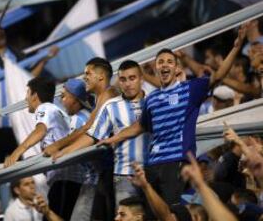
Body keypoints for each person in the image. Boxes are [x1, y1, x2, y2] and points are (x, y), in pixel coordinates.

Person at [98, 26, 247, 205]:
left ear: (176, 68)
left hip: (176, 163)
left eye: (170, 61)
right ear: (156, 67)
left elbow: (219, 75)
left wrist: (236, 47)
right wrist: (113, 139)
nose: (165, 64)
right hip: (152, 165)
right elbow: (139, 127)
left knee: (174, 212)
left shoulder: (191, 88)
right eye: (160, 62)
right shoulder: (151, 98)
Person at [53, 60, 148, 207]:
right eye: (123, 79)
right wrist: (63, 150)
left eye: (88, 73)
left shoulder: (109, 94)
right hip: (119, 171)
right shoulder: (107, 100)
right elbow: (92, 131)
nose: (85, 78)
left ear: (101, 76)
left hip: (117, 169)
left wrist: (60, 147)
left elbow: (88, 128)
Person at [0, 25, 59, 165]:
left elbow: (28, 78)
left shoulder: (16, 55)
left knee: (18, 167)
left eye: (0, 30)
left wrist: (45, 59)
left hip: (15, 123)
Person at [4, 77, 76, 220]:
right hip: (68, 177)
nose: (26, 99)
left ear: (35, 96)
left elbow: (40, 131)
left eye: (27, 94)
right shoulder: (57, 110)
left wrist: (17, 152)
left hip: (64, 177)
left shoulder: (45, 108)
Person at [59, 79, 95, 221]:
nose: (61, 100)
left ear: (74, 99)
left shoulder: (76, 120)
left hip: (93, 180)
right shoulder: (88, 114)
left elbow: (68, 150)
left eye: (64, 96)